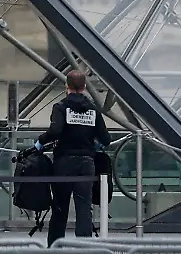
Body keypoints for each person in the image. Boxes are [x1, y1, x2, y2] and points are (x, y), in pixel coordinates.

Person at [37, 70, 111, 247]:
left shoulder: (61, 107)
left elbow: (55, 131)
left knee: (60, 206)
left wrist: (40, 142)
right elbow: (106, 139)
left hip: (64, 162)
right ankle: (84, 246)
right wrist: (93, 145)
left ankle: (55, 245)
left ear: (66, 86)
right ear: (84, 87)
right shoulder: (93, 109)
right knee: (84, 207)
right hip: (86, 163)